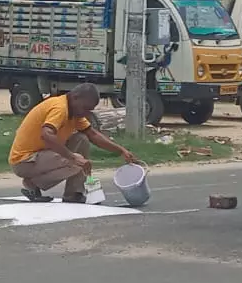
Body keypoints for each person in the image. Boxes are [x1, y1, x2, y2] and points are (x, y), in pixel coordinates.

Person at [9, 83, 142, 203]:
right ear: (75, 97)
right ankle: (32, 184)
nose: (86, 113)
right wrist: (72, 157)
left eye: (90, 110)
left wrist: (121, 151)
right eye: (85, 108)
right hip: (25, 161)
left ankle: (73, 193)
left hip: (42, 155)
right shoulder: (60, 108)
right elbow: (47, 135)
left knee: (81, 139)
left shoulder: (75, 112)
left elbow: (93, 135)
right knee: (77, 163)